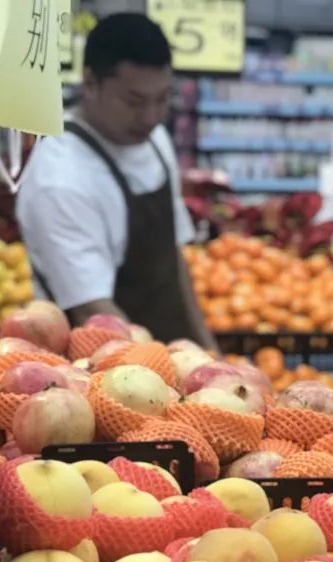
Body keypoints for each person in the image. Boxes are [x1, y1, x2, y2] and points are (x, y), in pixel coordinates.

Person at [16, 13, 215, 347]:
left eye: (162, 99)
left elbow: (174, 262)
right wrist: (167, 378)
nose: (151, 117)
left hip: (176, 361)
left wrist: (210, 351)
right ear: (90, 83)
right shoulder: (60, 179)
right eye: (134, 102)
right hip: (103, 371)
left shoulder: (154, 140)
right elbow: (92, 310)